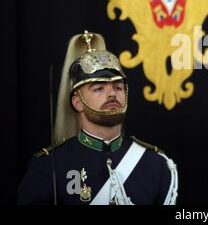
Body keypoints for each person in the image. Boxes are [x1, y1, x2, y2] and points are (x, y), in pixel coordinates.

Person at [18, 31, 178, 205]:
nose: (111, 94)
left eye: (117, 87)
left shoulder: (155, 164)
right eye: (99, 88)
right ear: (78, 102)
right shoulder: (49, 166)